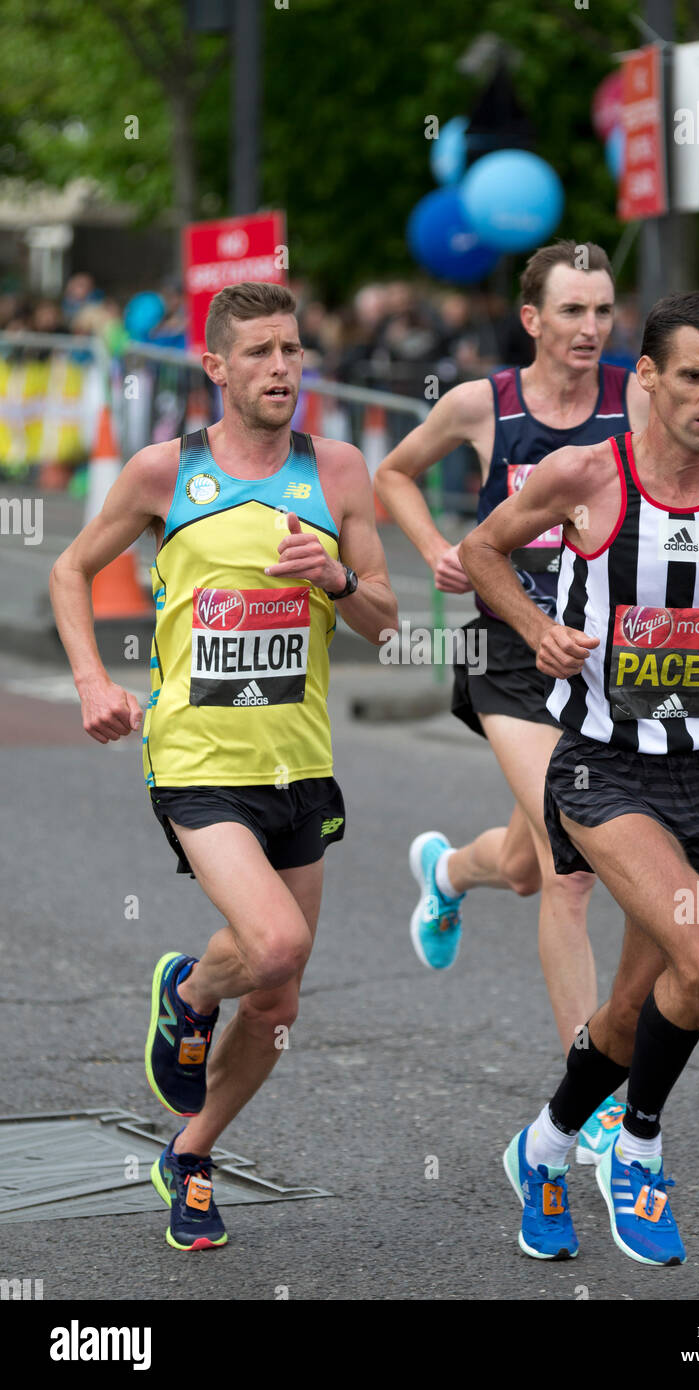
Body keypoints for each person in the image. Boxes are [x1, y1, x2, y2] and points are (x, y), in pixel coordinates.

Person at [460, 291, 699, 1264]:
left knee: (637, 1004)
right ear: (650, 380)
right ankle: (637, 1148)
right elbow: (481, 550)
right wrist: (536, 627)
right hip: (598, 761)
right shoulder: (586, 475)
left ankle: (540, 1149)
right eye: (696, 377)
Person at [49, 281, 397, 1250]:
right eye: (259, 353)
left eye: (291, 350)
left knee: (280, 996)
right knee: (275, 945)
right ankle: (194, 991)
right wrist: (90, 683)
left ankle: (191, 1153)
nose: (281, 368)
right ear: (216, 367)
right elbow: (71, 568)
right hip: (196, 755)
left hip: (299, 760)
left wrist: (332, 577)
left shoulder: (338, 472)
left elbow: (383, 616)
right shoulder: (168, 472)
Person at [376, 242, 648, 1139]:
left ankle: (448, 871)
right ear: (532, 319)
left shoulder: (631, 401)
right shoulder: (481, 405)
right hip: (509, 657)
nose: (591, 328)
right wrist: (435, 551)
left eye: (603, 311)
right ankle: (595, 1091)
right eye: (572, 311)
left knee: (531, 868)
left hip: (601, 663)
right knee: (571, 869)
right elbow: (393, 474)